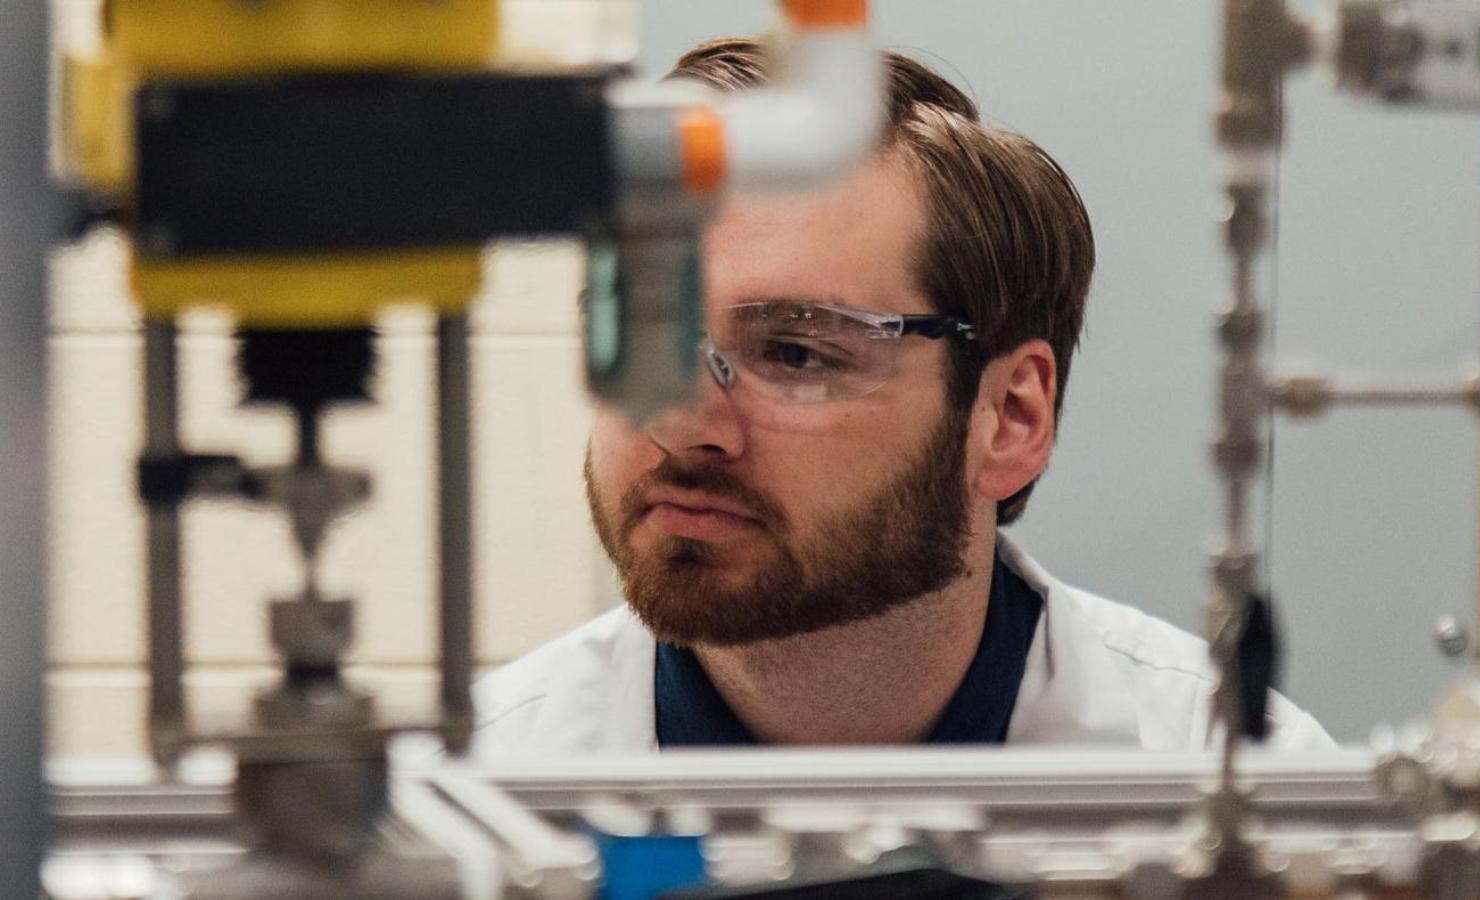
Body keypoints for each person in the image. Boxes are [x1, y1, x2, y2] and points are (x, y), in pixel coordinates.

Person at [470, 38, 1333, 755]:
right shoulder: (472, 796)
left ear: (1011, 418)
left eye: (796, 353)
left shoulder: (1246, 787)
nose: (680, 425)